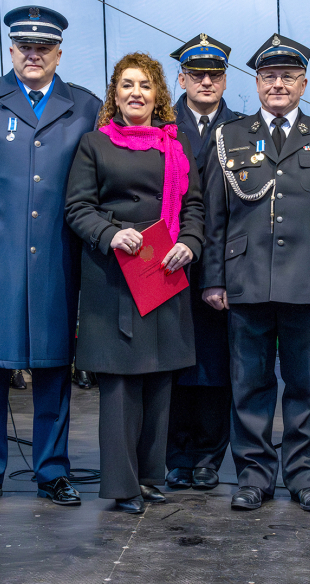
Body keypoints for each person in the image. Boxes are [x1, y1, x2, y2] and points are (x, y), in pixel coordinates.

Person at [0, 5, 101, 509]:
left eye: (44, 47)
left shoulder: (86, 106)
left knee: (54, 368)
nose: (34, 53)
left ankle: (52, 470)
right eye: (24, 45)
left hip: (58, 258)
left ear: (58, 53)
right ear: (11, 49)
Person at [201, 34, 310, 513]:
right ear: (256, 83)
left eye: (288, 77)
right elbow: (214, 216)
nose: (278, 84)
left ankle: (306, 476)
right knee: (250, 386)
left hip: (308, 282)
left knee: (305, 386)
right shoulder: (228, 137)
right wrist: (214, 278)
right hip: (246, 281)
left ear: (303, 84)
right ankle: (253, 476)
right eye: (269, 76)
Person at [65, 52, 204, 514]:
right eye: (127, 85)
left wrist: (190, 242)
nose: (136, 93)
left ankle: (150, 476)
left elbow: (194, 208)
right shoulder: (94, 145)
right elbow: (77, 207)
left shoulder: (176, 145)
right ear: (115, 93)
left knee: (159, 380)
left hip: (164, 271)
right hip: (115, 279)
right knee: (121, 387)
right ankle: (122, 487)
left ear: (158, 93)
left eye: (144, 85)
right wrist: (110, 233)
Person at [165, 34, 243, 491]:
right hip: (170, 261)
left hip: (223, 263)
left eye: (214, 75)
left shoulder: (242, 126)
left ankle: (209, 458)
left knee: (216, 367)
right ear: (182, 78)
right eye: (197, 75)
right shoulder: (162, 123)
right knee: (172, 364)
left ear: (225, 79)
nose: (207, 81)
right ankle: (175, 455)